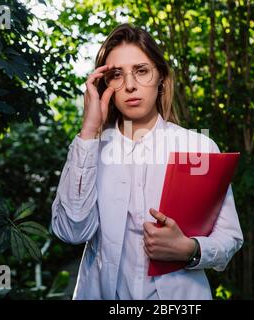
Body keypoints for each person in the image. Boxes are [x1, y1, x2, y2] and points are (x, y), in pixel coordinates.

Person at [51, 23, 243, 300]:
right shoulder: (88, 148)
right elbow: (71, 231)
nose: (130, 85)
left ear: (161, 77)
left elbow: (230, 238)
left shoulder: (199, 147)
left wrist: (190, 249)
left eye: (141, 71)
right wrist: (89, 130)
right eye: (117, 75)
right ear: (105, 85)